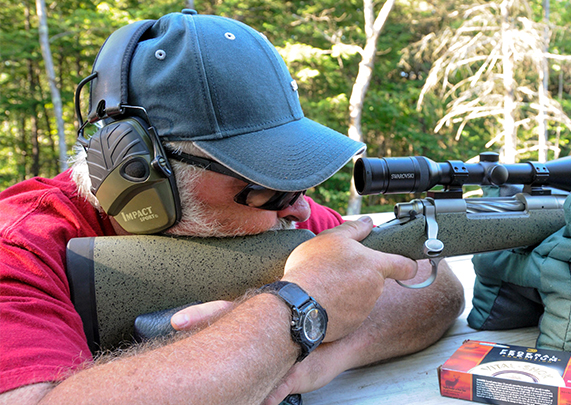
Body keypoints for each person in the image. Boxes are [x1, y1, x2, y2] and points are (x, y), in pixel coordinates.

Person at [0, 10, 464, 404]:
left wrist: (314, 354)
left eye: (294, 181)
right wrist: (296, 307)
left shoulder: (274, 215)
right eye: (263, 184)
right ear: (140, 178)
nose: (300, 211)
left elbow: (436, 286)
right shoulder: (18, 244)